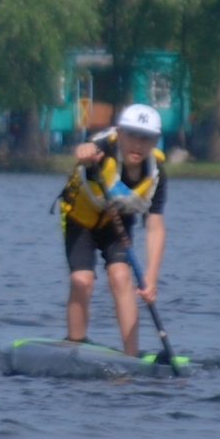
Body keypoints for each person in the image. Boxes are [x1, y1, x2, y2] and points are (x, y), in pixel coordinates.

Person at [58, 102, 168, 355]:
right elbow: (85, 150)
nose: (138, 145)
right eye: (131, 135)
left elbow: (155, 226)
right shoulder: (104, 149)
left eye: (146, 138)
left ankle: (131, 356)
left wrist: (151, 276)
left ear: (156, 141)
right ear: (119, 133)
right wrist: (84, 152)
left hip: (115, 224)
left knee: (121, 277)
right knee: (81, 280)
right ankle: (75, 344)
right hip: (80, 220)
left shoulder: (157, 173)